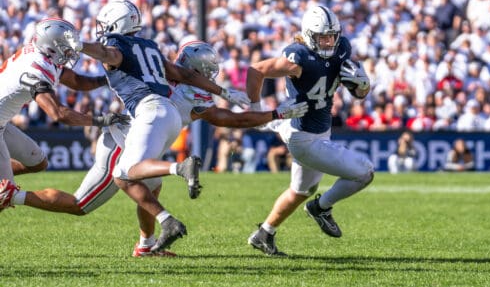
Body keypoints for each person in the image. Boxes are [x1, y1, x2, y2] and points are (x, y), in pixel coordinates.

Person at [6, 41, 308, 257]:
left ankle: (146, 244)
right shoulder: (193, 94)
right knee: (80, 204)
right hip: (122, 142)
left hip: (134, 133)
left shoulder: (160, 71)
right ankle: (12, 194)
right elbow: (230, 119)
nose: (210, 75)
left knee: (153, 185)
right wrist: (275, 114)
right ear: (199, 70)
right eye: (208, 71)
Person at [64, 0, 253, 254]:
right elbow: (183, 74)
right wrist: (224, 92)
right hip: (167, 114)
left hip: (149, 112)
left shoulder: (116, 45)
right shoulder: (149, 46)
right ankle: (146, 244)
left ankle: (180, 169)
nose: (102, 29)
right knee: (151, 184)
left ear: (115, 23)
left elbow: (110, 54)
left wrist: (83, 47)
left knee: (124, 173)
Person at [245, 5, 374, 256]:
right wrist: (255, 109)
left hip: (317, 131)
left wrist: (362, 85)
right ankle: (321, 208)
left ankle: (264, 234)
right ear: (307, 35)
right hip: (304, 137)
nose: (328, 42)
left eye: (331, 36)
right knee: (364, 173)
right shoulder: (299, 57)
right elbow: (256, 70)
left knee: (301, 190)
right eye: (322, 37)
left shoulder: (342, 48)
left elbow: (358, 93)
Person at [0, 18, 129, 210]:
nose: (70, 51)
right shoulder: (34, 70)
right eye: (66, 46)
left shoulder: (43, 55)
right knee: (5, 195)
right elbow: (58, 113)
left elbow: (76, 81)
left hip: (3, 123)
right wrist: (99, 121)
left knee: (38, 162)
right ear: (52, 46)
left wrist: (108, 80)